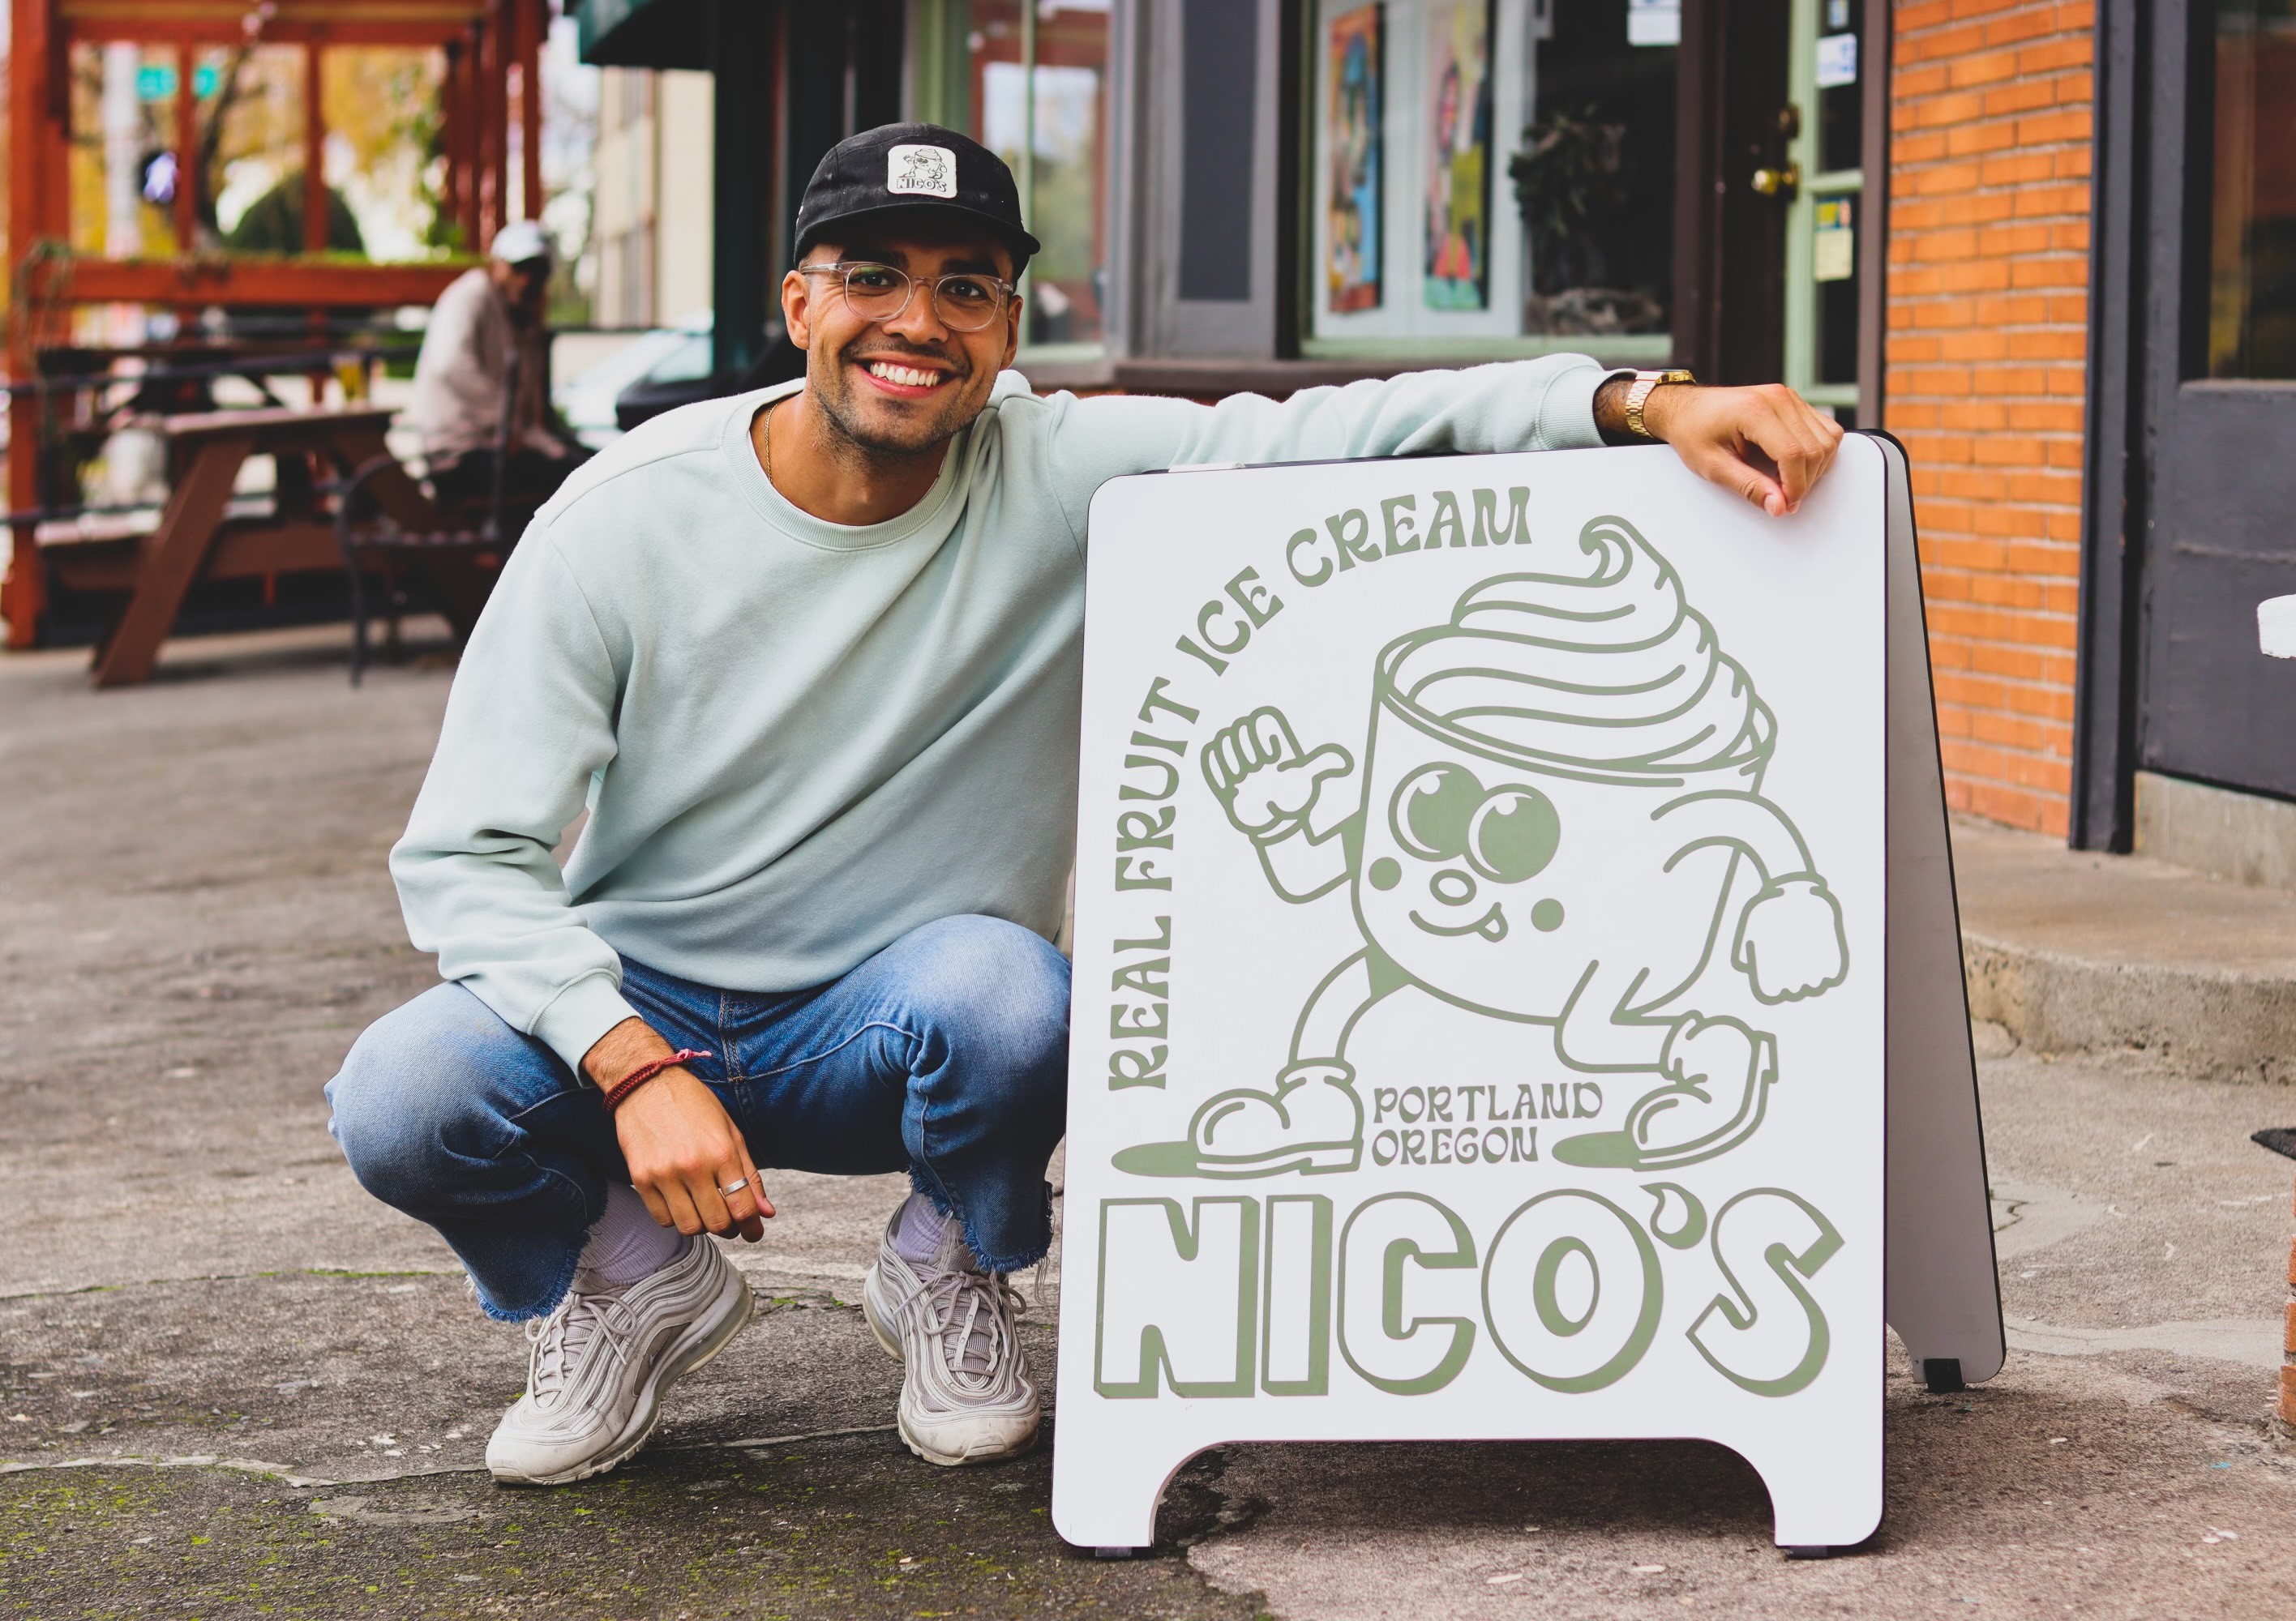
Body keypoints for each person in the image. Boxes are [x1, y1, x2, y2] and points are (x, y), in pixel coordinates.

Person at [325, 123, 1844, 1489]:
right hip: (644, 997)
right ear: (800, 304)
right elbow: (469, 857)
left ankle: (949, 1268)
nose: (916, 321)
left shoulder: (1056, 470)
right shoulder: (620, 519)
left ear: (1004, 327)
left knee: (1021, 1000)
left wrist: (1642, 400)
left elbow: (1350, 425)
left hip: (892, 1010)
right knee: (404, 1096)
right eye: (872, 276)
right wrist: (625, 1057)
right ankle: (625, 1275)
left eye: (966, 287)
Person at [408, 220, 588, 513]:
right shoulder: (472, 295)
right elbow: (450, 365)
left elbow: (529, 413)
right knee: (571, 478)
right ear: (498, 265)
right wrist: (511, 424)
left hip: (499, 449)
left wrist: (545, 439)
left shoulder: (521, 319)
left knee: (589, 468)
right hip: (460, 455)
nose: (527, 279)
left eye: (538, 272)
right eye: (520, 268)